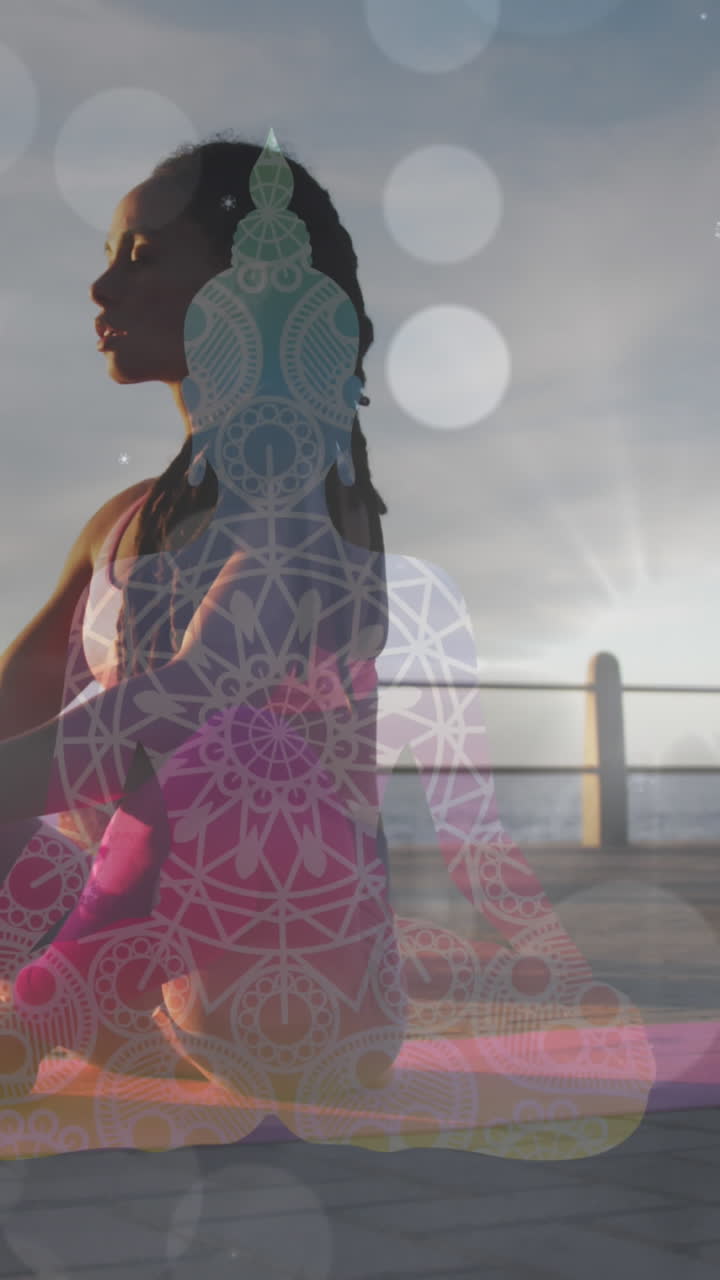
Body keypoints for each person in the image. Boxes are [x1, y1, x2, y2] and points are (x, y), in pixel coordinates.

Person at [0, 133, 654, 1159]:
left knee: (217, 743)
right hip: (141, 986)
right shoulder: (120, 520)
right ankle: (62, 1002)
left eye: (142, 255)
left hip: (290, 1003)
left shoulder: (306, 494)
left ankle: (42, 1010)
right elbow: (16, 715)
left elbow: (192, 694)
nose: (101, 283)